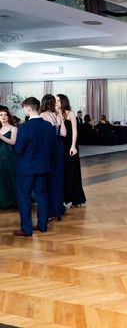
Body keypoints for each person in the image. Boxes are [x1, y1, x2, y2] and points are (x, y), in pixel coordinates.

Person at [13, 97, 55, 236]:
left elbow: (18, 149)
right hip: (43, 167)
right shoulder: (48, 126)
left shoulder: (24, 127)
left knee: (24, 197)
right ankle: (42, 225)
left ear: (28, 108)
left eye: (24, 108)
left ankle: (26, 229)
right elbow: (52, 147)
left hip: (26, 168)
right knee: (42, 196)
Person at [40, 94, 66, 221]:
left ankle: (50, 211)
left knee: (48, 179)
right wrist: (60, 117)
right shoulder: (57, 116)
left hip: (49, 148)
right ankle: (58, 209)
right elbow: (63, 133)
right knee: (58, 178)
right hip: (59, 147)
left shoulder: (42, 115)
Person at [57, 94, 86, 207]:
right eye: (55, 100)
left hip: (70, 146)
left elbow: (74, 131)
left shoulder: (70, 113)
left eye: (58, 100)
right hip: (60, 146)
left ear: (63, 102)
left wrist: (73, 146)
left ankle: (75, 198)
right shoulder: (54, 114)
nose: (56, 102)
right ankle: (64, 198)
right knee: (62, 172)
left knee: (72, 171)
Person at [0, 106, 18, 209]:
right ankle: (5, 202)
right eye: (1, 115)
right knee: (2, 179)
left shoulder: (13, 128)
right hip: (0, 156)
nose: (3, 117)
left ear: (8, 117)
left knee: (12, 178)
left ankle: (15, 201)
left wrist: (1, 136)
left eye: (5, 115)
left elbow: (13, 142)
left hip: (10, 156)